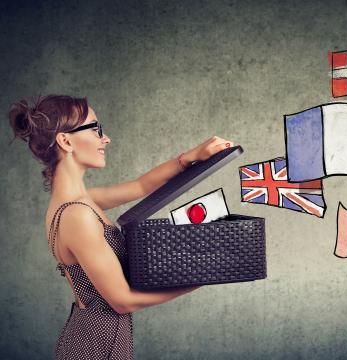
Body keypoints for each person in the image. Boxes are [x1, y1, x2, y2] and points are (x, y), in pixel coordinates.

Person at [8, 94, 233, 359]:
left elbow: (141, 186)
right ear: (66, 141)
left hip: (96, 335)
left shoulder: (80, 201)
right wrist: (199, 280)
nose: (105, 138)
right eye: (95, 129)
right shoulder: (76, 215)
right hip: (96, 345)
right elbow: (122, 300)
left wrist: (192, 156)